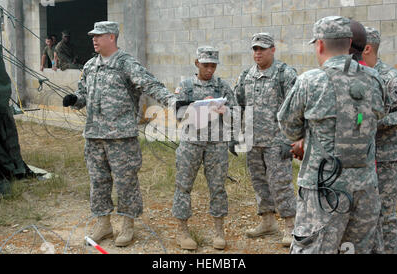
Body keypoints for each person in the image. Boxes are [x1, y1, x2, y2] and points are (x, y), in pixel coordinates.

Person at [278, 16, 387, 254]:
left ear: (319, 44)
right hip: (366, 189)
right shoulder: (375, 79)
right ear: (349, 43)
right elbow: (379, 116)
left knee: (313, 248)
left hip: (324, 189)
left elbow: (288, 128)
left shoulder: (310, 81)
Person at [62, 21, 175, 247]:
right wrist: (75, 100)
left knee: (126, 183)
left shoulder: (126, 64)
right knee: (98, 182)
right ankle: (103, 224)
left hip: (121, 137)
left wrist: (173, 101)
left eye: (99, 36)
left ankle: (127, 225)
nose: (94, 39)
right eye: (93, 36)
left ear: (112, 37)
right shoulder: (90, 66)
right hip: (94, 136)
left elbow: (151, 85)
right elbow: (83, 94)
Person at [233, 33, 297, 247]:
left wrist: (291, 139)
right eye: (255, 49)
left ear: (273, 50)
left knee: (281, 184)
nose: (257, 53)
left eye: (262, 48)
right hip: (253, 142)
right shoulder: (246, 76)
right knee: (259, 183)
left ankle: (291, 227)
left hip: (276, 141)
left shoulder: (285, 74)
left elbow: (297, 109)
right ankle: (268, 222)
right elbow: (237, 105)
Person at [172, 46, 237, 250]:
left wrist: (224, 111)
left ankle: (219, 231)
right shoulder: (186, 86)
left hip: (216, 144)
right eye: (205, 64)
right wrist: (198, 105)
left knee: (217, 188)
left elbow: (236, 114)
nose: (209, 69)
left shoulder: (223, 87)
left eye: (213, 65)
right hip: (191, 143)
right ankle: (182, 231)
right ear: (196, 63)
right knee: (183, 186)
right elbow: (178, 114)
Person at [362, 27, 397, 253]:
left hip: (385, 161)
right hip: (359, 161)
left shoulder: (391, 78)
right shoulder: (354, 76)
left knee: (385, 218)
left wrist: (378, 121)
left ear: (366, 48)